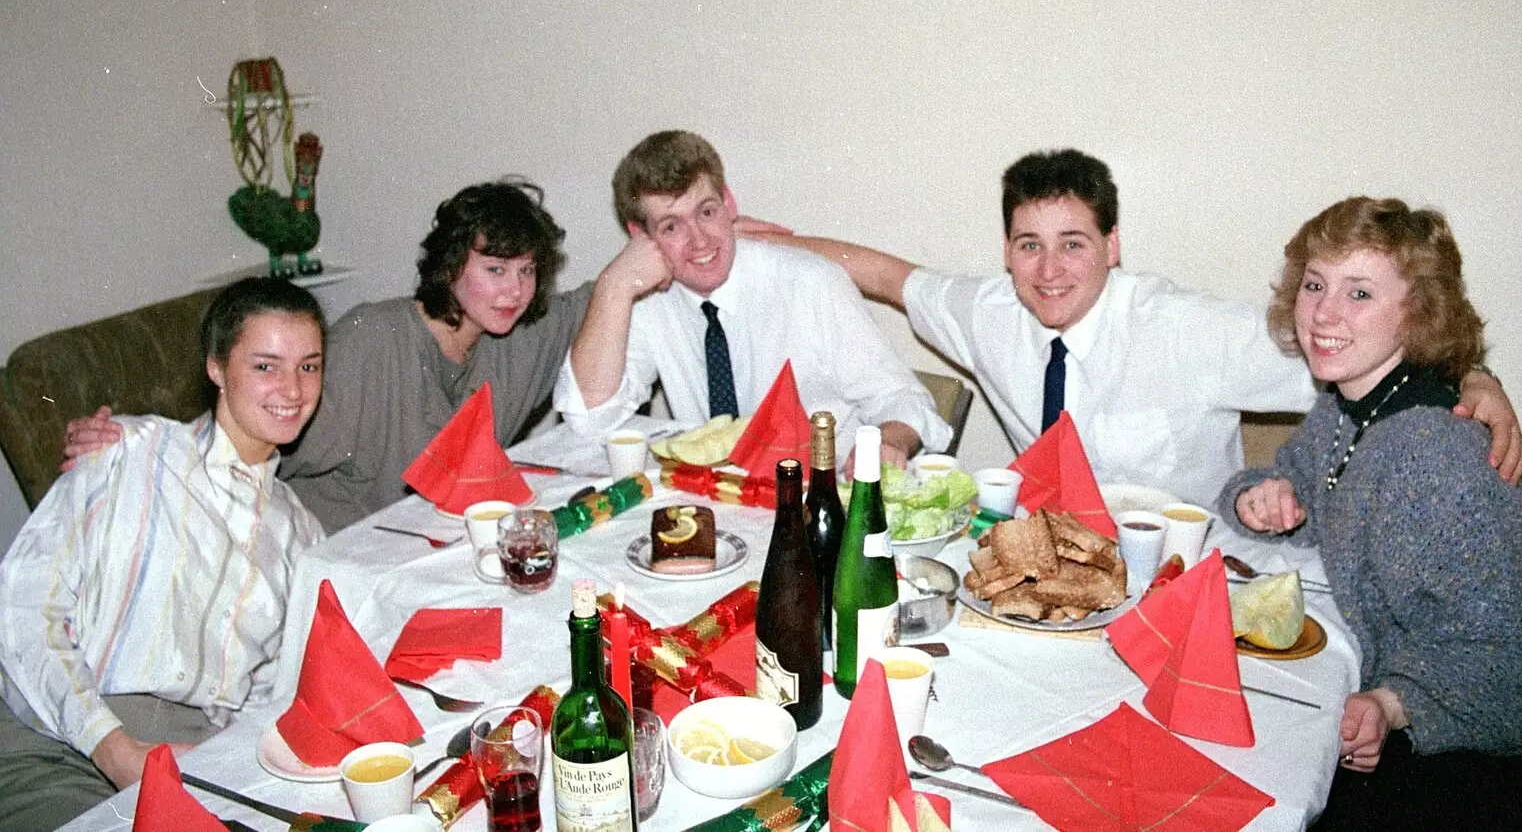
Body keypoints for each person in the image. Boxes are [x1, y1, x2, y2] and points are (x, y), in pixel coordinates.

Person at [753, 149, 1522, 505]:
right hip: (1045, 576)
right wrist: (752, 242)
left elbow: (1363, 348)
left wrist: (1474, 378)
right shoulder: (990, 311)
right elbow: (881, 272)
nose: (1049, 271)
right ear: (1008, 251)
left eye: (1073, 244)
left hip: (1182, 583)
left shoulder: (1185, 328)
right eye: (1030, 245)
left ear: (1113, 247)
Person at [1220, 197, 1522, 831]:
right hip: (1415, 696)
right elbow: (1299, 475)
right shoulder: (1348, 406)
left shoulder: (1431, 452)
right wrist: (1257, 493)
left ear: (1417, 313)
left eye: (1360, 293)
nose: (1324, 312)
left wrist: (1394, 705)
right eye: (1316, 284)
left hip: (1488, 762)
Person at [64, 178, 594, 532]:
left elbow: (595, 300)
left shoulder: (515, 338)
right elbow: (248, 428)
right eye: (495, 270)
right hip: (332, 557)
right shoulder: (372, 340)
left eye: (527, 271)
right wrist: (132, 443)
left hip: (434, 551)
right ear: (451, 263)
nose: (514, 291)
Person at [0, 278, 328, 830]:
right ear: (216, 368)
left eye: (310, 366)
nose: (292, 390)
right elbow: (22, 608)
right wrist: (112, 747)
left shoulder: (302, 534)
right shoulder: (128, 453)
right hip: (58, 731)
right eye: (265, 366)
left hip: (191, 752)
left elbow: (272, 689)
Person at [554, 130, 949, 469]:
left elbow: (904, 400)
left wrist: (890, 442)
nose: (700, 240)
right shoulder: (646, 297)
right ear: (640, 236)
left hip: (822, 496)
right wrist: (613, 285)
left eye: (707, 212)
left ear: (729, 204)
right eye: (672, 226)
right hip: (719, 504)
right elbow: (588, 421)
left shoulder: (811, 283)